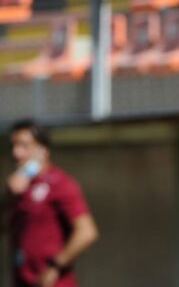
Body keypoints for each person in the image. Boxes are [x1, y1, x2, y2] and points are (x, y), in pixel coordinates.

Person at [4, 119, 98, 287]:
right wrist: (8, 196)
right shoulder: (19, 186)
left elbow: (86, 232)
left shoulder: (60, 184)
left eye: (24, 146)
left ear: (43, 151)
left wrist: (54, 267)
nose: (16, 153)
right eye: (13, 146)